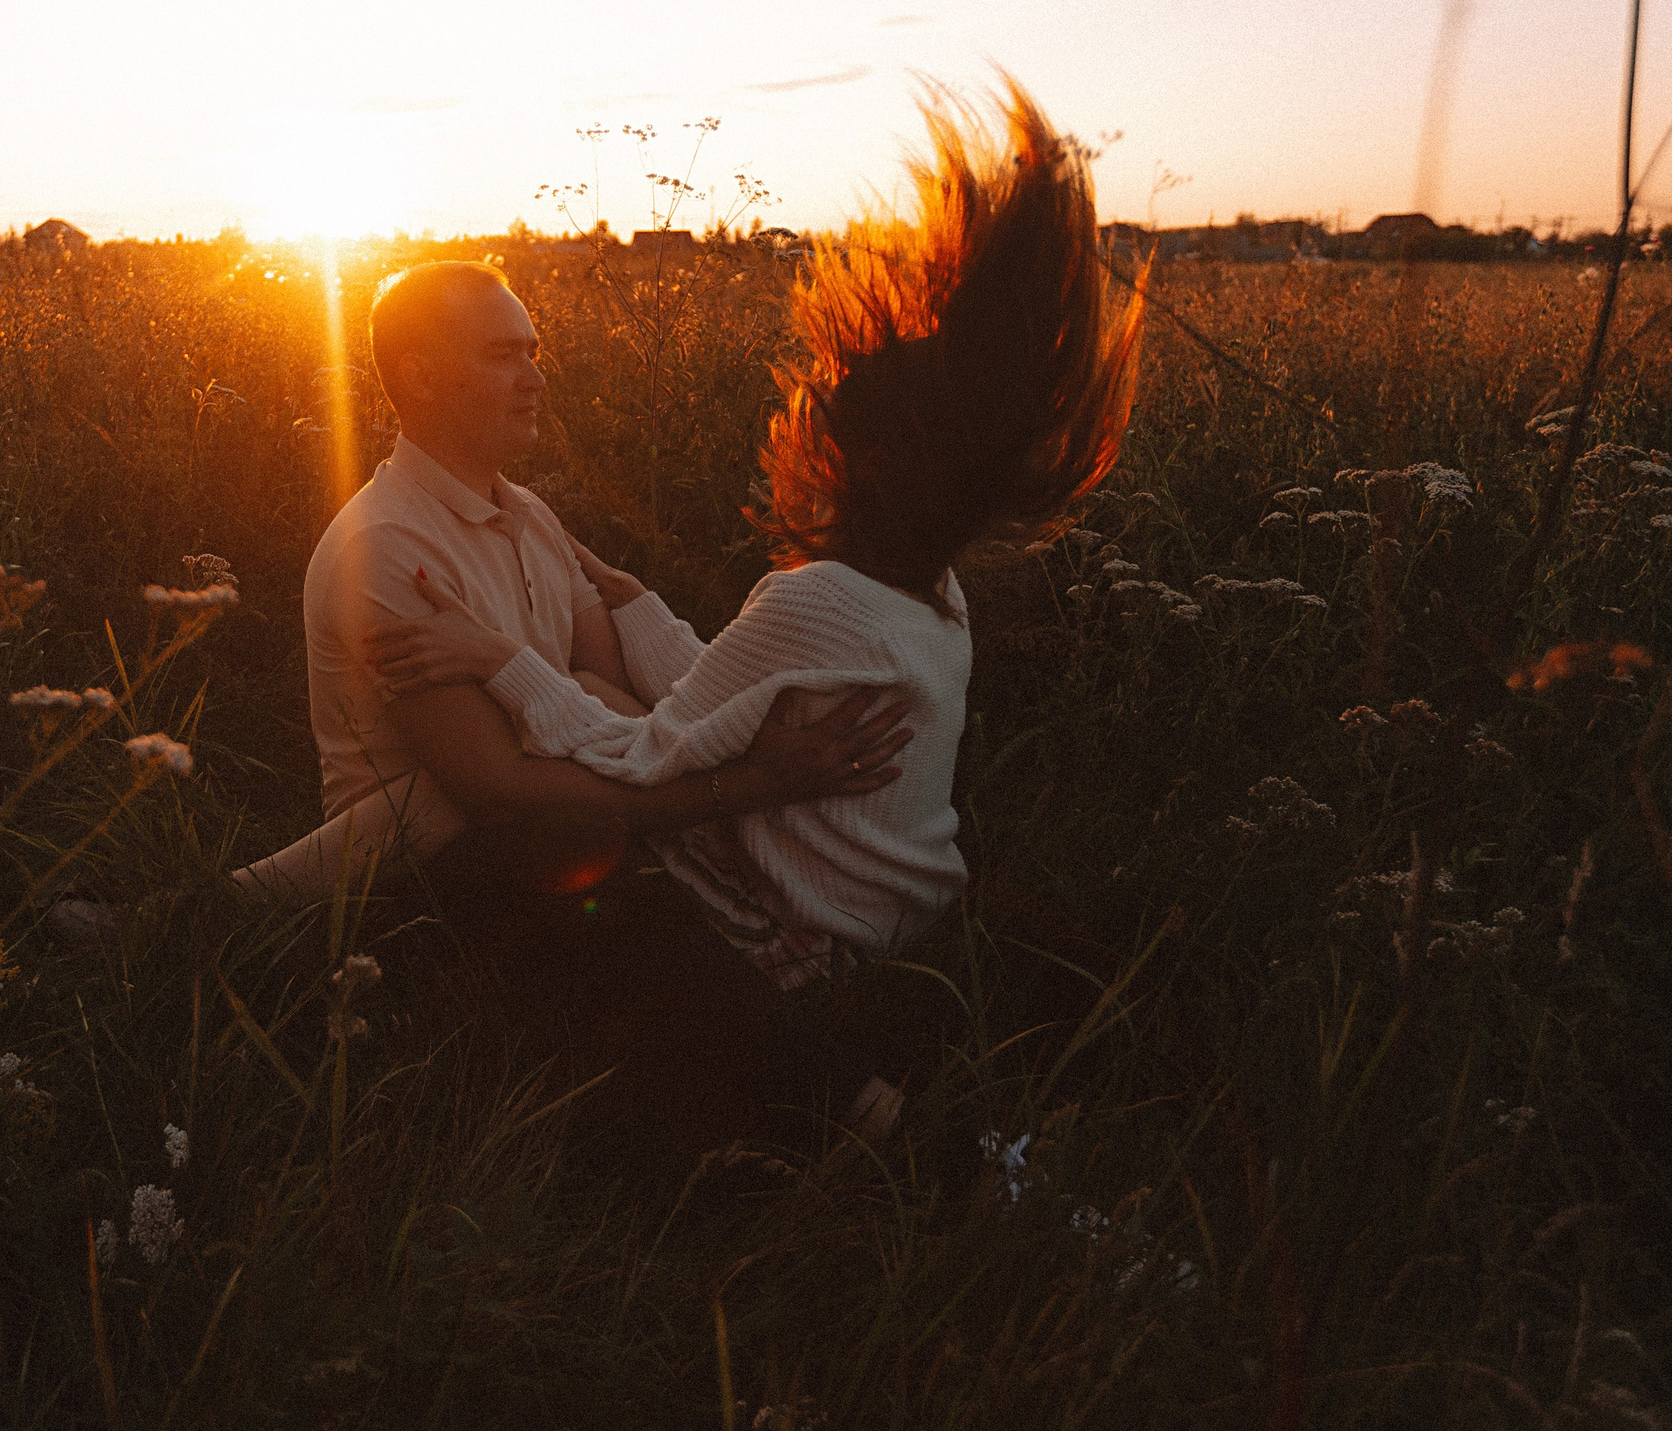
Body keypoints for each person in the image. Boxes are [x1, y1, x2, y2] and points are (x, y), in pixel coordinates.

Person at [361, 80, 1143, 1144]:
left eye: (828, 399)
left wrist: (497, 655)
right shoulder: (932, 599)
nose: (813, 400)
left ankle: (836, 1118)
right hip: (908, 910)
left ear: (865, 460)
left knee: (523, 871)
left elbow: (647, 755)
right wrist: (609, 580)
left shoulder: (814, 600)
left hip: (811, 932)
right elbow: (719, 691)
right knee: (598, 696)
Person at [228, 259, 911, 911]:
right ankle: (221, 910)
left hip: (570, 816)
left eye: (532, 351)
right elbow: (493, 787)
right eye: (503, 356)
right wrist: (743, 786)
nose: (535, 378)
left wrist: (727, 756)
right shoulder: (382, 549)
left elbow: (609, 689)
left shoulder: (531, 515)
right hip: (431, 873)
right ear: (421, 376)